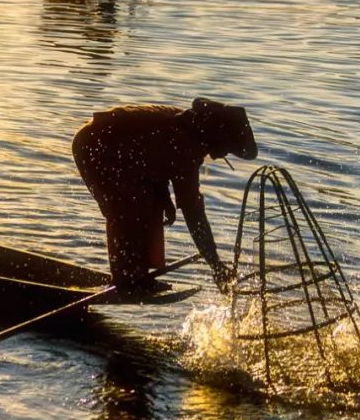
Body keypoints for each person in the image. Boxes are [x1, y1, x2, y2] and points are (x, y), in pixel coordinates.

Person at [72, 97, 257, 294]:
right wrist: (216, 264)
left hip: (123, 156)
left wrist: (163, 197)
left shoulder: (188, 127)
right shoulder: (185, 145)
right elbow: (194, 214)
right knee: (126, 206)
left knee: (146, 203)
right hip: (94, 145)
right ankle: (124, 280)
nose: (223, 154)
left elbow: (150, 159)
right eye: (226, 148)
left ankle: (137, 275)